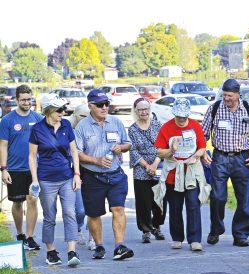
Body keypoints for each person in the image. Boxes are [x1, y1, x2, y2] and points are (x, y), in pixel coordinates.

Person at [201, 78, 249, 247]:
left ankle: (240, 234)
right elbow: (203, 134)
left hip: (241, 159)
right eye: (224, 95)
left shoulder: (248, 110)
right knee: (217, 197)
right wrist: (201, 151)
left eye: (230, 96)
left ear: (238, 94)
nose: (226, 99)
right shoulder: (214, 108)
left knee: (244, 199)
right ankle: (216, 229)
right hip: (220, 158)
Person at [75, 89, 134, 260]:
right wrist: (96, 160)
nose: (104, 107)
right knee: (94, 214)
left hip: (115, 175)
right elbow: (77, 153)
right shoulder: (82, 127)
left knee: (118, 209)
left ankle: (119, 246)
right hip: (92, 177)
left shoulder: (115, 122)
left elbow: (127, 143)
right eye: (100, 105)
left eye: (107, 104)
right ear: (90, 106)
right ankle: (99, 246)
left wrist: (120, 147)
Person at [29, 94, 82, 266]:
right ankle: (51, 252)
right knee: (50, 216)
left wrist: (77, 174)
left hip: (67, 177)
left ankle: (71, 252)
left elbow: (74, 151)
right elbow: (32, 156)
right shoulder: (37, 129)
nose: (63, 112)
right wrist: (35, 180)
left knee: (70, 213)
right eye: (59, 110)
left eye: (64, 109)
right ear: (49, 110)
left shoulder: (66, 124)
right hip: (46, 179)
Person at [153, 98, 208, 251]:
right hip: (173, 173)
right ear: (174, 114)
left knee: (193, 204)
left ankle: (195, 239)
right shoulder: (166, 128)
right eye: (179, 116)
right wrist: (172, 150)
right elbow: (158, 151)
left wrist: (196, 156)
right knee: (175, 207)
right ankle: (177, 237)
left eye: (184, 117)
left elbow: (202, 147)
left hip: (191, 171)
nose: (182, 120)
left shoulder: (195, 125)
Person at [0, 84, 43, 251]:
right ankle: (20, 234)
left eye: (29, 99)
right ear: (17, 100)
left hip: (33, 169)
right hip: (14, 169)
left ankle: (30, 237)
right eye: (23, 100)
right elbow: (2, 145)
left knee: (32, 200)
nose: (27, 102)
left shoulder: (38, 118)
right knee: (17, 203)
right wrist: (3, 169)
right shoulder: (8, 120)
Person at [128, 98, 166, 243]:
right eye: (140, 109)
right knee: (143, 202)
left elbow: (162, 146)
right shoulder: (132, 129)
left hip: (159, 165)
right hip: (141, 168)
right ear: (136, 111)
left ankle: (157, 226)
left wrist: (155, 164)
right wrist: (146, 166)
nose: (144, 112)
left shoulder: (158, 125)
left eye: (146, 109)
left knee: (160, 200)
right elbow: (133, 151)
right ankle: (145, 230)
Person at [69, 104, 92, 248]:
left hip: (91, 172)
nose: (86, 119)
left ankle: (93, 238)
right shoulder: (67, 129)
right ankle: (78, 227)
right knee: (80, 209)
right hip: (73, 173)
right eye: (83, 116)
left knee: (93, 208)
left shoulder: (92, 128)